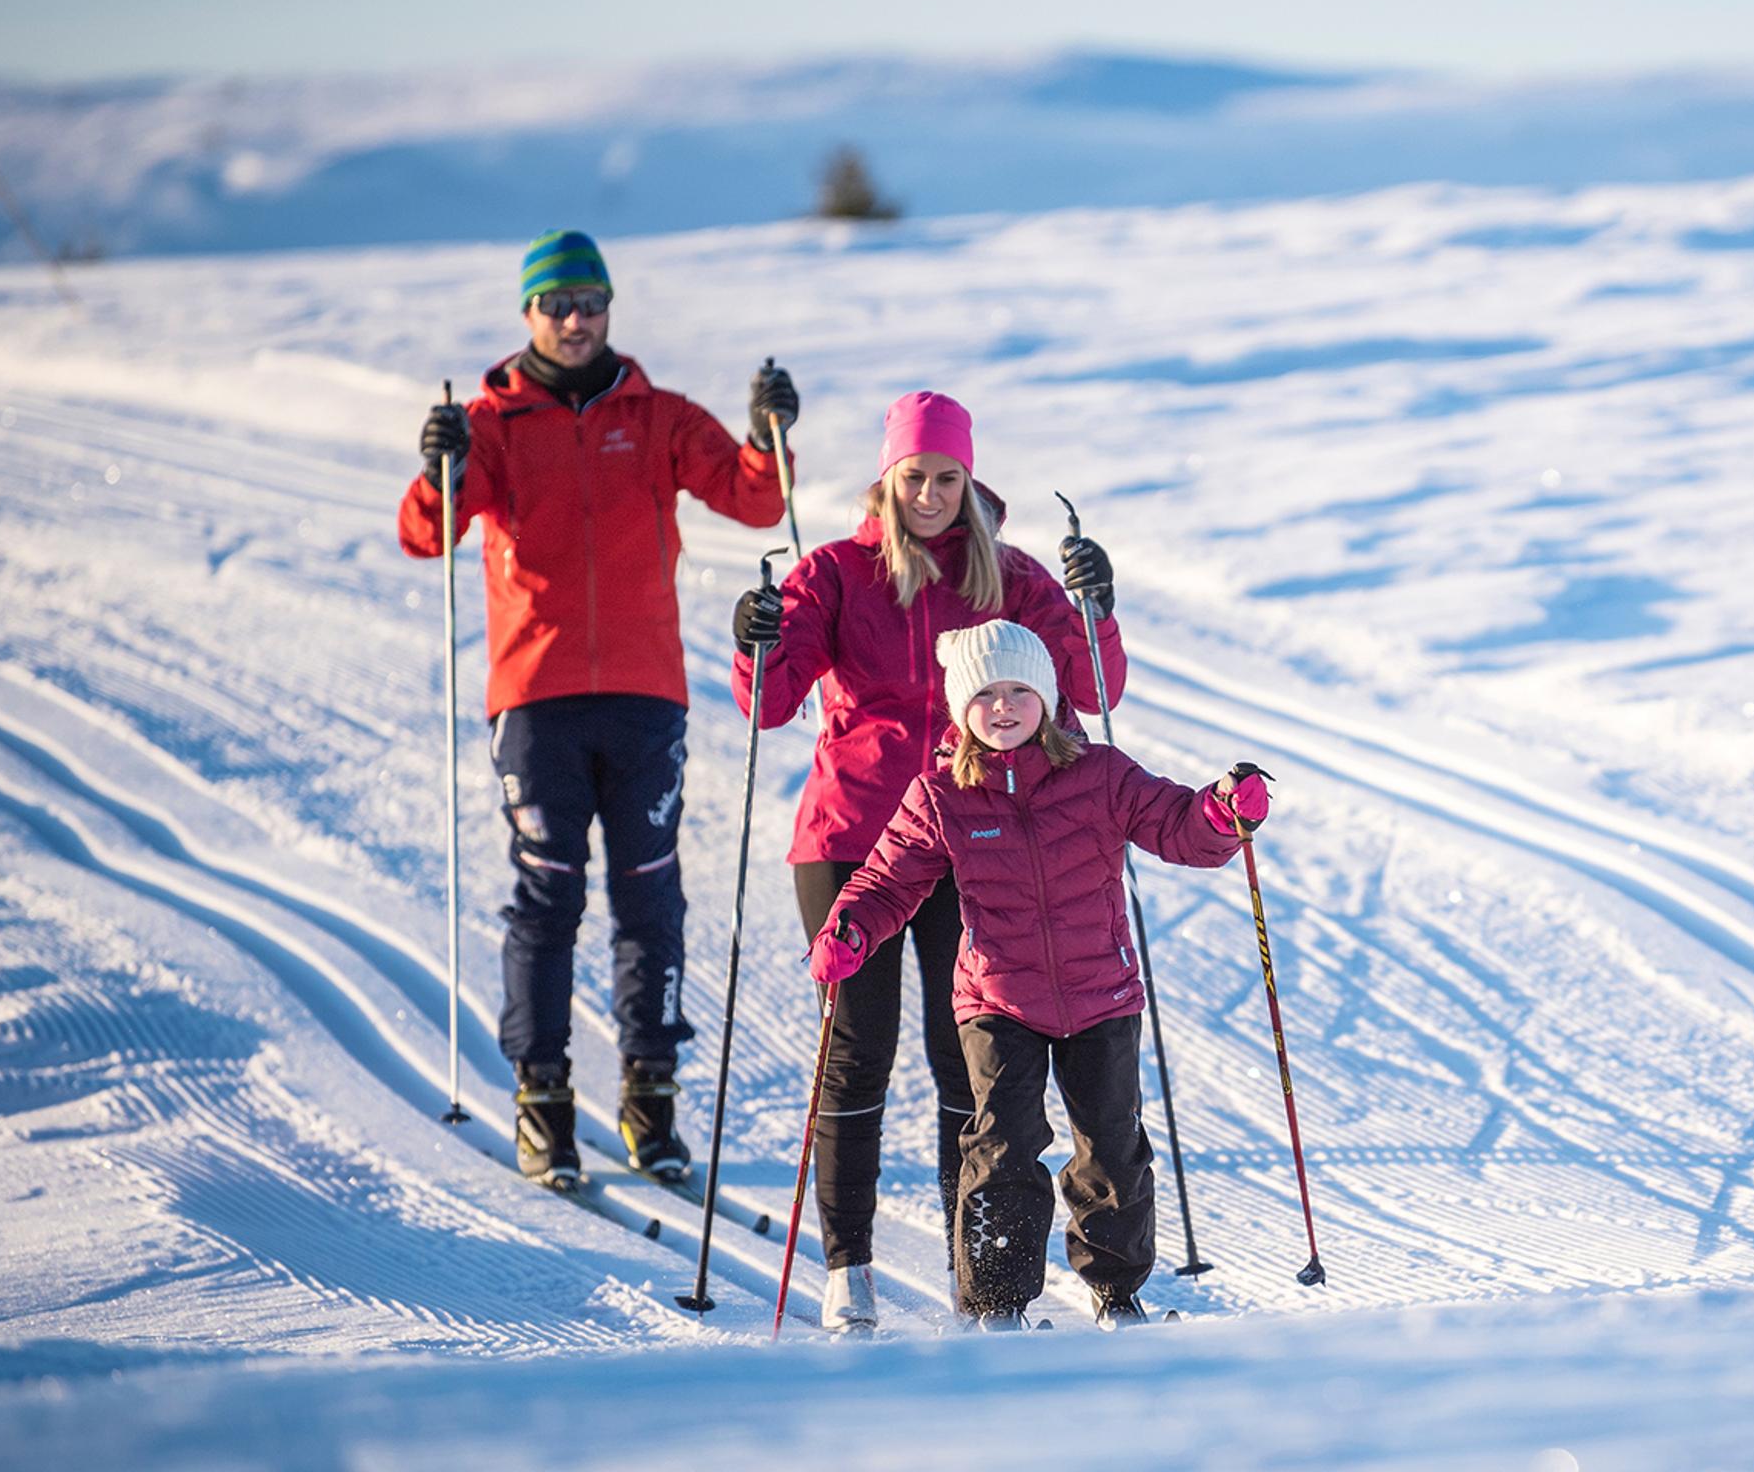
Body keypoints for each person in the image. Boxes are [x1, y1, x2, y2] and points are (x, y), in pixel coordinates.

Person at [397, 229, 799, 1189]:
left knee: (650, 894)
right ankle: (543, 1103)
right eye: (557, 304)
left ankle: (649, 1099)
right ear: (528, 312)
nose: (575, 320)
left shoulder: (658, 416)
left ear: (610, 307)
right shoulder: (492, 423)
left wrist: (768, 436)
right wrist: (437, 466)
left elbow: (753, 500)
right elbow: (426, 534)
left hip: (644, 694)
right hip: (535, 699)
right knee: (549, 895)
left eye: (590, 302)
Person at [728, 390, 1124, 1330]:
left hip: (970, 839)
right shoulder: (836, 573)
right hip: (850, 840)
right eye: (915, 477)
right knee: (857, 1053)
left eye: (949, 478)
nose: (932, 495)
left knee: (970, 1064)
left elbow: (1092, 690)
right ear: (887, 478)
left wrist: (1095, 609)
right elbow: (768, 704)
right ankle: (848, 1268)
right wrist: (757, 641)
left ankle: (972, 1270)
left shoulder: (1013, 579)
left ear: (970, 480)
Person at [807, 620, 1271, 1330]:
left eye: (1020, 690)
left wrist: (1220, 812)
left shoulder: (1101, 774)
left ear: (1048, 699)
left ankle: (1116, 1294)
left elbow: (1179, 826)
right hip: (999, 999)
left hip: (1101, 993)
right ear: (961, 708)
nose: (1003, 706)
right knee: (1002, 1149)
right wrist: (851, 926)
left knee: (1112, 1149)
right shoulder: (941, 794)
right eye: (985, 694)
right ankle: (996, 1304)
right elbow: (888, 879)